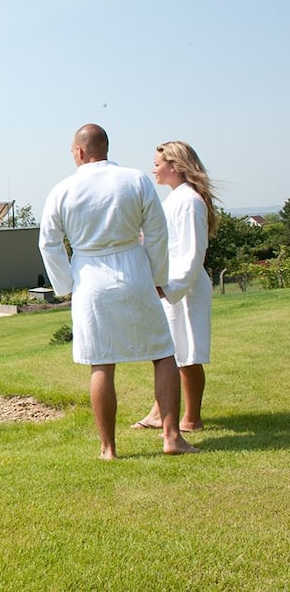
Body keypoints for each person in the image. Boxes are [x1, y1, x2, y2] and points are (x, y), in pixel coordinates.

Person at [38, 123, 198, 459]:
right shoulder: (136, 179)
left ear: (80, 151)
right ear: (106, 147)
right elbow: (157, 232)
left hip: (89, 279)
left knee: (101, 362)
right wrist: (158, 276)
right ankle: (172, 437)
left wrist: (66, 286)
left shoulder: (62, 190)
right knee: (163, 353)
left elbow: (48, 243)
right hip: (134, 271)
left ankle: (108, 448)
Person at [132, 140, 218, 433]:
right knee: (169, 351)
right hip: (169, 286)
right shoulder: (175, 199)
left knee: (188, 353)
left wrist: (170, 288)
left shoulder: (189, 202)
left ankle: (192, 418)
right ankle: (160, 412)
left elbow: (193, 253)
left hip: (186, 289)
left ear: (175, 166)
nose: (153, 169)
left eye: (157, 164)